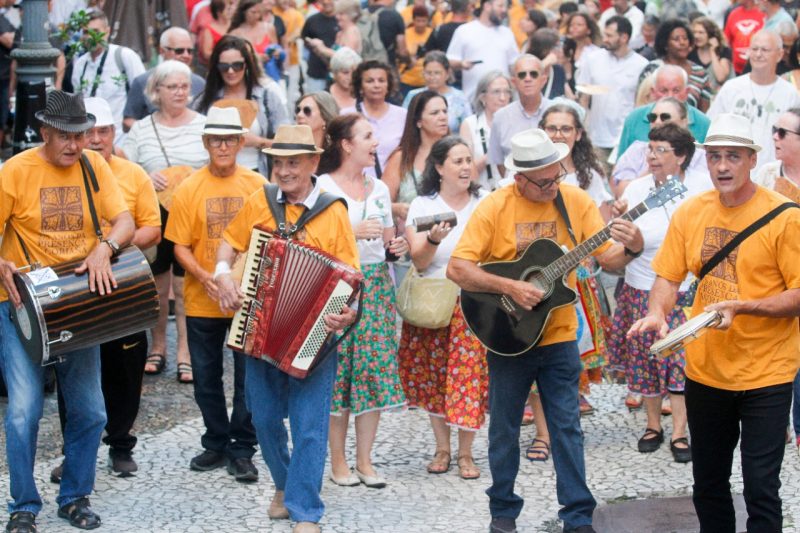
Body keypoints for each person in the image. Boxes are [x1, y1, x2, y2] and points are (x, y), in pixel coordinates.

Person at [447, 127, 644, 533]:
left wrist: (633, 246)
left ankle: (578, 515)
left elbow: (608, 260)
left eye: (557, 176)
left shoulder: (574, 201)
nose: (554, 186)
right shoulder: (495, 206)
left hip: (559, 335)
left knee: (567, 426)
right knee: (503, 428)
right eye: (543, 182)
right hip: (508, 335)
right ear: (519, 179)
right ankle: (503, 512)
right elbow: (458, 269)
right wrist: (510, 287)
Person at [628, 112, 800, 532]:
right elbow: (667, 276)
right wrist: (657, 312)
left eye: (733, 156)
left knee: (761, 487)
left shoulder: (785, 217)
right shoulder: (692, 212)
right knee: (708, 484)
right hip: (706, 371)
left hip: (767, 373)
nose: (722, 166)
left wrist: (743, 307)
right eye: (715, 156)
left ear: (752, 160)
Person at [0, 90, 134, 533]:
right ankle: (23, 504)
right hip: (21, 304)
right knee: (23, 412)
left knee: (91, 410)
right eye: (65, 136)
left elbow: (125, 222)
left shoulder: (94, 166)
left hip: (77, 302)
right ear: (44, 132)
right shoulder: (15, 171)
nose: (76, 145)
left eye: (80, 135)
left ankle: (75, 496)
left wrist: (105, 248)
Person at [215, 124, 359, 533]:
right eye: (278, 162)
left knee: (309, 426)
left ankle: (305, 511)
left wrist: (347, 313)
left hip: (315, 335)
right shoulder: (259, 201)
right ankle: (284, 484)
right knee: (262, 418)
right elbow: (229, 242)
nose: (284, 171)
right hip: (259, 329)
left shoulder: (333, 210)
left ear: (314, 162)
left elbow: (351, 277)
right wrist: (223, 273)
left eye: (293, 162)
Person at [164, 106, 265, 481]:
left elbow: (266, 238)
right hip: (202, 297)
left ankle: (243, 447)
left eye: (230, 139)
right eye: (216, 140)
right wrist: (205, 277)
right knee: (205, 377)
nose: (223, 146)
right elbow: (179, 245)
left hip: (245, 298)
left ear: (240, 143)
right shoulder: (189, 187)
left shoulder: (257, 185)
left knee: (247, 380)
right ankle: (216, 441)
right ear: (206, 142)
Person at [610, 123, 713, 464]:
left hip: (685, 290)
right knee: (646, 359)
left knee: (680, 363)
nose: (652, 156)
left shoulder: (701, 188)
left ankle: (680, 431)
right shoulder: (636, 189)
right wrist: (623, 229)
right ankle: (653, 425)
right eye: (650, 149)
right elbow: (616, 241)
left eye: (661, 150)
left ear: (681, 157)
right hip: (641, 285)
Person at [317, 114, 408, 489]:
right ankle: (338, 461)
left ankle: (365, 461)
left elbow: (387, 243)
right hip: (338, 283)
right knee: (338, 371)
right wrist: (350, 231)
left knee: (372, 370)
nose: (376, 142)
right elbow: (313, 241)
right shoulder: (322, 187)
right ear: (346, 144)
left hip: (376, 284)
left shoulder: (380, 189)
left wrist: (396, 246)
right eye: (367, 136)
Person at [398, 135, 489, 481]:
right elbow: (419, 261)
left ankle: (466, 452)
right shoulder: (422, 206)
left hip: (474, 301)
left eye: (468, 160)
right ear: (439, 167)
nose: (466, 167)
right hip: (433, 301)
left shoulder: (485, 202)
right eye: (457, 161)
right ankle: (442, 448)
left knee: (469, 376)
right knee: (434, 375)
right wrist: (434, 239)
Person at [83, 97, 161, 475]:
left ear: (115, 132)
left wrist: (113, 247)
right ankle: (75, 451)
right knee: (77, 368)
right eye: (89, 132)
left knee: (127, 366)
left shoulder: (133, 174)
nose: (97, 139)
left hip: (125, 281)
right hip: (80, 283)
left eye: (104, 131)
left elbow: (153, 227)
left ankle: (120, 443)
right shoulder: (68, 173)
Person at [122, 60, 208, 383]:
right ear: (156, 90)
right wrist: (146, 176)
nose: (180, 92)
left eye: (184, 86)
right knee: (157, 288)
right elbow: (125, 168)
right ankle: (157, 347)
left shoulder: (203, 125)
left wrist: (194, 176)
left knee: (186, 288)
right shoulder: (142, 129)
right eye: (172, 86)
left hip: (193, 215)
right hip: (155, 216)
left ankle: (185, 352)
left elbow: (218, 165)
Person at [754, 108, 800, 450]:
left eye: (782, 132)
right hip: (772, 280)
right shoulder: (767, 174)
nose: (775, 137)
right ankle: (775, 420)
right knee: (774, 353)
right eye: (774, 130)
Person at [194, 35, 290, 175]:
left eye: (237, 65)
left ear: (246, 65)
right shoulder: (205, 101)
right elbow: (194, 142)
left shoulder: (267, 97)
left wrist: (258, 142)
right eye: (224, 66)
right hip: (215, 176)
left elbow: (288, 144)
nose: (231, 71)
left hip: (257, 173)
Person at [383, 90, 450, 286]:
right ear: (418, 121)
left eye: (445, 111)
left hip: (450, 251)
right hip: (409, 253)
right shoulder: (402, 158)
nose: (443, 117)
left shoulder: (456, 155)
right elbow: (379, 202)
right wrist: (397, 208)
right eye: (435, 113)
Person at [708, 29, 800, 171]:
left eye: (765, 50)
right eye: (754, 49)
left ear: (779, 55)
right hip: (734, 173)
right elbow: (711, 127)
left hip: (773, 173)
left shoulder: (790, 93)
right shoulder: (731, 88)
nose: (758, 54)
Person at [576, 16, 648, 165]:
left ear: (624, 37)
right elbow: (584, 98)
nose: (605, 39)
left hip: (626, 139)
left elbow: (641, 103)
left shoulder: (641, 65)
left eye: (609, 36)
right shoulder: (593, 59)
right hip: (596, 139)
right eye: (605, 35)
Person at [71, 8, 146, 143]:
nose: (90, 37)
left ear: (107, 31)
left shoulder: (124, 56)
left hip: (123, 139)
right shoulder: (80, 64)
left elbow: (144, 94)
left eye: (96, 32)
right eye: (86, 32)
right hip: (90, 140)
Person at [613, 97, 710, 195]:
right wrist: (653, 169)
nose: (657, 122)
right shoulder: (636, 150)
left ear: (684, 122)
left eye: (665, 117)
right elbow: (621, 193)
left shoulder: (701, 156)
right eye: (653, 117)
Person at [616, 64, 711, 158]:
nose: (670, 96)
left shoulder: (703, 123)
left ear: (687, 92)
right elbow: (621, 163)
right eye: (664, 91)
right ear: (653, 92)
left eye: (676, 90)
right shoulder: (635, 119)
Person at [123, 27, 206, 131]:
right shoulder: (142, 81)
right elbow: (128, 120)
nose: (186, 55)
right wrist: (153, 133)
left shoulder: (200, 83)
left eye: (190, 51)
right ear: (162, 51)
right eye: (179, 51)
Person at [487, 54, 552, 180]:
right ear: (514, 82)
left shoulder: (557, 112)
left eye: (533, 74)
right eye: (522, 75)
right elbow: (499, 162)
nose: (528, 78)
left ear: (543, 80)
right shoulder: (500, 117)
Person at [341, 60, 408, 179]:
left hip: (394, 183)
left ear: (388, 85)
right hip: (356, 182)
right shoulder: (347, 115)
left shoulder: (402, 115)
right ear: (360, 86)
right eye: (370, 81)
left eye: (381, 80)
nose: (376, 85)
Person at [446, 0, 519, 99]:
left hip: (503, 98)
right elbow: (448, 61)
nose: (504, 10)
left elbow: (514, 64)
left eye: (505, 7)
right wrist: (461, 64)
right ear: (487, 6)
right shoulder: (464, 31)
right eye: (500, 6)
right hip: (473, 98)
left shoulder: (507, 33)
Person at [638, 18, 713, 113]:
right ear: (665, 44)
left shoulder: (700, 73)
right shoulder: (653, 69)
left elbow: (704, 112)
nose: (682, 43)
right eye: (676, 39)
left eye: (685, 38)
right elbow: (641, 103)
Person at [459, 70, 513, 191]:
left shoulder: (517, 123)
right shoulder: (470, 124)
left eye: (507, 92)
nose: (503, 98)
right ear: (482, 97)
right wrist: (491, 154)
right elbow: (464, 170)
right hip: (482, 193)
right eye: (496, 92)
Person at [403, 51, 472, 133]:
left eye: (437, 73)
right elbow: (404, 124)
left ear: (447, 74)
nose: (432, 77)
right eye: (428, 73)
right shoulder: (413, 95)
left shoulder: (460, 97)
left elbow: (469, 126)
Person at [301, 0, 339, 93]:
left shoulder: (341, 20)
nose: (326, 2)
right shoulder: (312, 20)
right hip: (316, 72)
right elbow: (305, 38)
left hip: (337, 74)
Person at [689, 16, 733, 92]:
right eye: (694, 32)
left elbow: (721, 78)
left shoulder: (723, 51)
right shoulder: (690, 53)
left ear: (711, 34)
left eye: (701, 32)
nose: (696, 36)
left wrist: (713, 51)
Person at [724, 0, 765, 75]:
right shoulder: (733, 14)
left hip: (759, 69)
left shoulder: (763, 14)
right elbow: (726, 40)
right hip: (737, 70)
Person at [399, 5, 433, 96]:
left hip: (426, 81)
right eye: (418, 21)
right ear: (413, 20)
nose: (421, 24)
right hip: (407, 80)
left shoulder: (432, 34)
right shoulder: (405, 33)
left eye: (423, 21)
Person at [197, 0, 236, 68]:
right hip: (218, 66)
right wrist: (224, 56)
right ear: (218, 12)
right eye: (228, 9)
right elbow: (206, 53)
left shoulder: (236, 25)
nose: (231, 11)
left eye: (231, 8)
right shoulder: (208, 29)